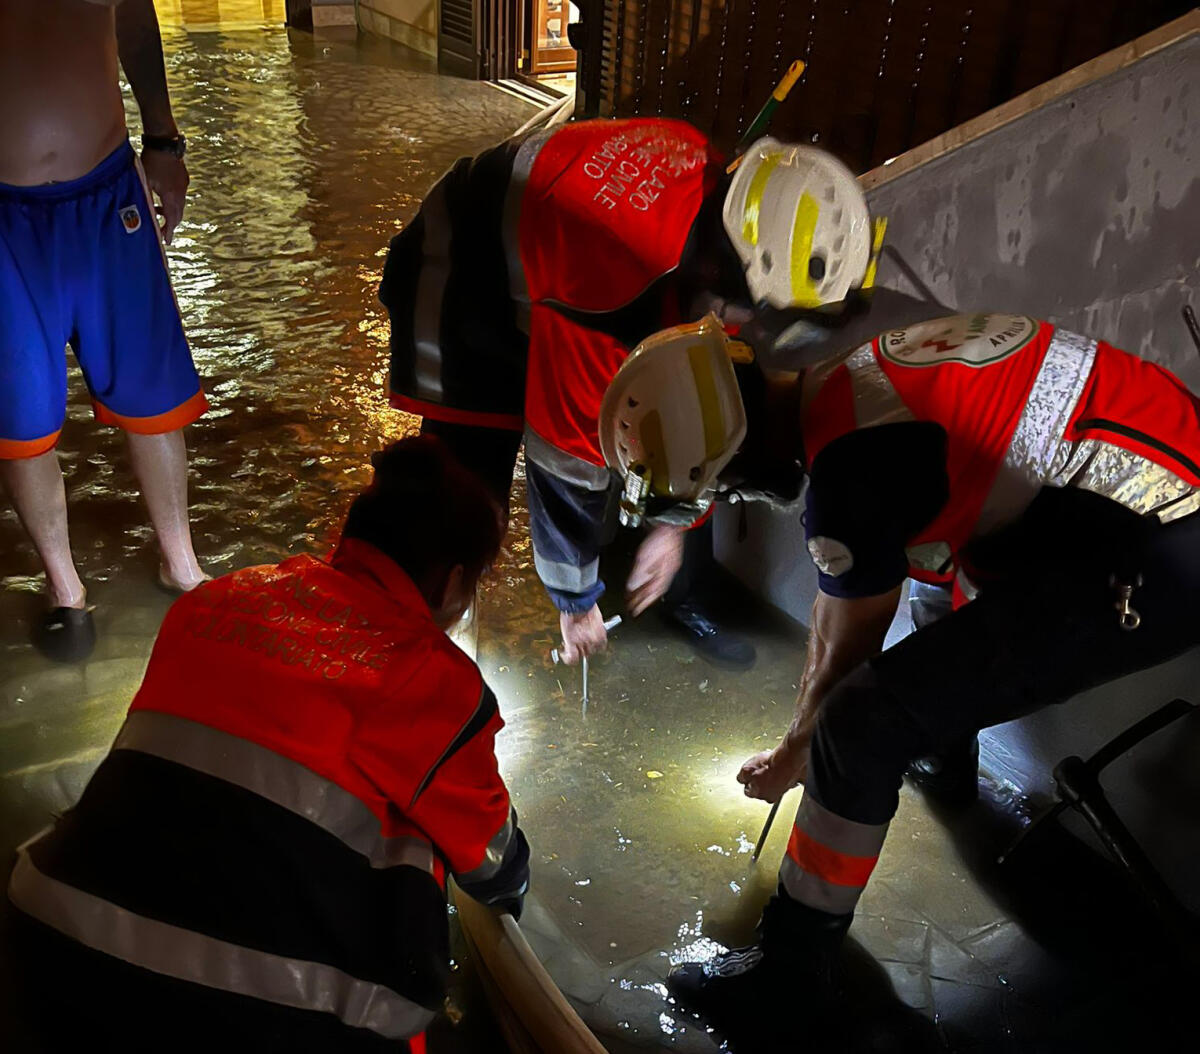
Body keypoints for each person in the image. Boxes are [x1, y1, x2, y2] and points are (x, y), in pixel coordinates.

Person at [595, 311, 1200, 1043]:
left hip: (1158, 550)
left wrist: (797, 754)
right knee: (931, 586)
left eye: (726, 488)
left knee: (861, 725)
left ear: (733, 451)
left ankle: (789, 971)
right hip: (1142, 488)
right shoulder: (854, 382)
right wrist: (803, 733)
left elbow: (846, 653)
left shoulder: (853, 467)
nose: (737, 499)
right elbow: (843, 596)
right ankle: (945, 761)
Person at [6, 436, 531, 1054]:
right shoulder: (436, 680)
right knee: (419, 838)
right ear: (454, 582)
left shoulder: (215, 599)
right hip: (248, 1021)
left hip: (45, 944)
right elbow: (493, 866)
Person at [380, 122, 880, 669]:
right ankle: (418, 650)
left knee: (656, 413)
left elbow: (702, 410)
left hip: (560, 262)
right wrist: (574, 601)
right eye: (767, 316)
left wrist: (673, 529)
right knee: (466, 498)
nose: (763, 335)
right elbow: (563, 456)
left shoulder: (734, 215)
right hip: (466, 267)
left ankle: (674, 592)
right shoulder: (613, 292)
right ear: (728, 280)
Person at [0, 0, 206, 661]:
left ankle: (182, 566)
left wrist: (165, 142)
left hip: (108, 191)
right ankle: (66, 591)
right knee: (21, 419)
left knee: (152, 394)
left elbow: (133, 16)